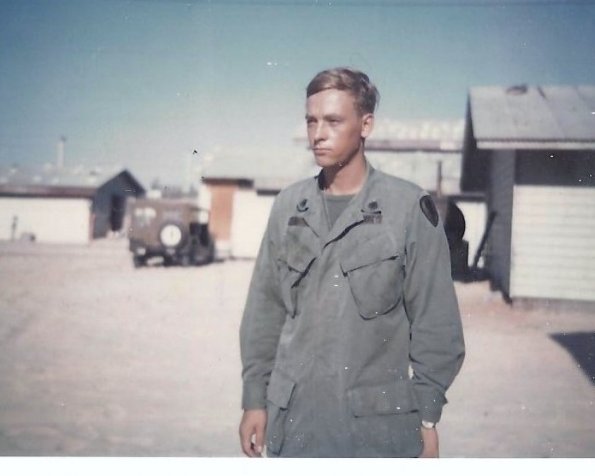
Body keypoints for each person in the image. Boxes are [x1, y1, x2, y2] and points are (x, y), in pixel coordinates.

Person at [238, 67, 465, 458]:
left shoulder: (407, 208)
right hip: (296, 424)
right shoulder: (289, 207)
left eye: (333, 121)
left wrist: (427, 415)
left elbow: (437, 324)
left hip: (375, 432)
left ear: (366, 125)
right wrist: (254, 400)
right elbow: (264, 312)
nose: (318, 133)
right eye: (311, 121)